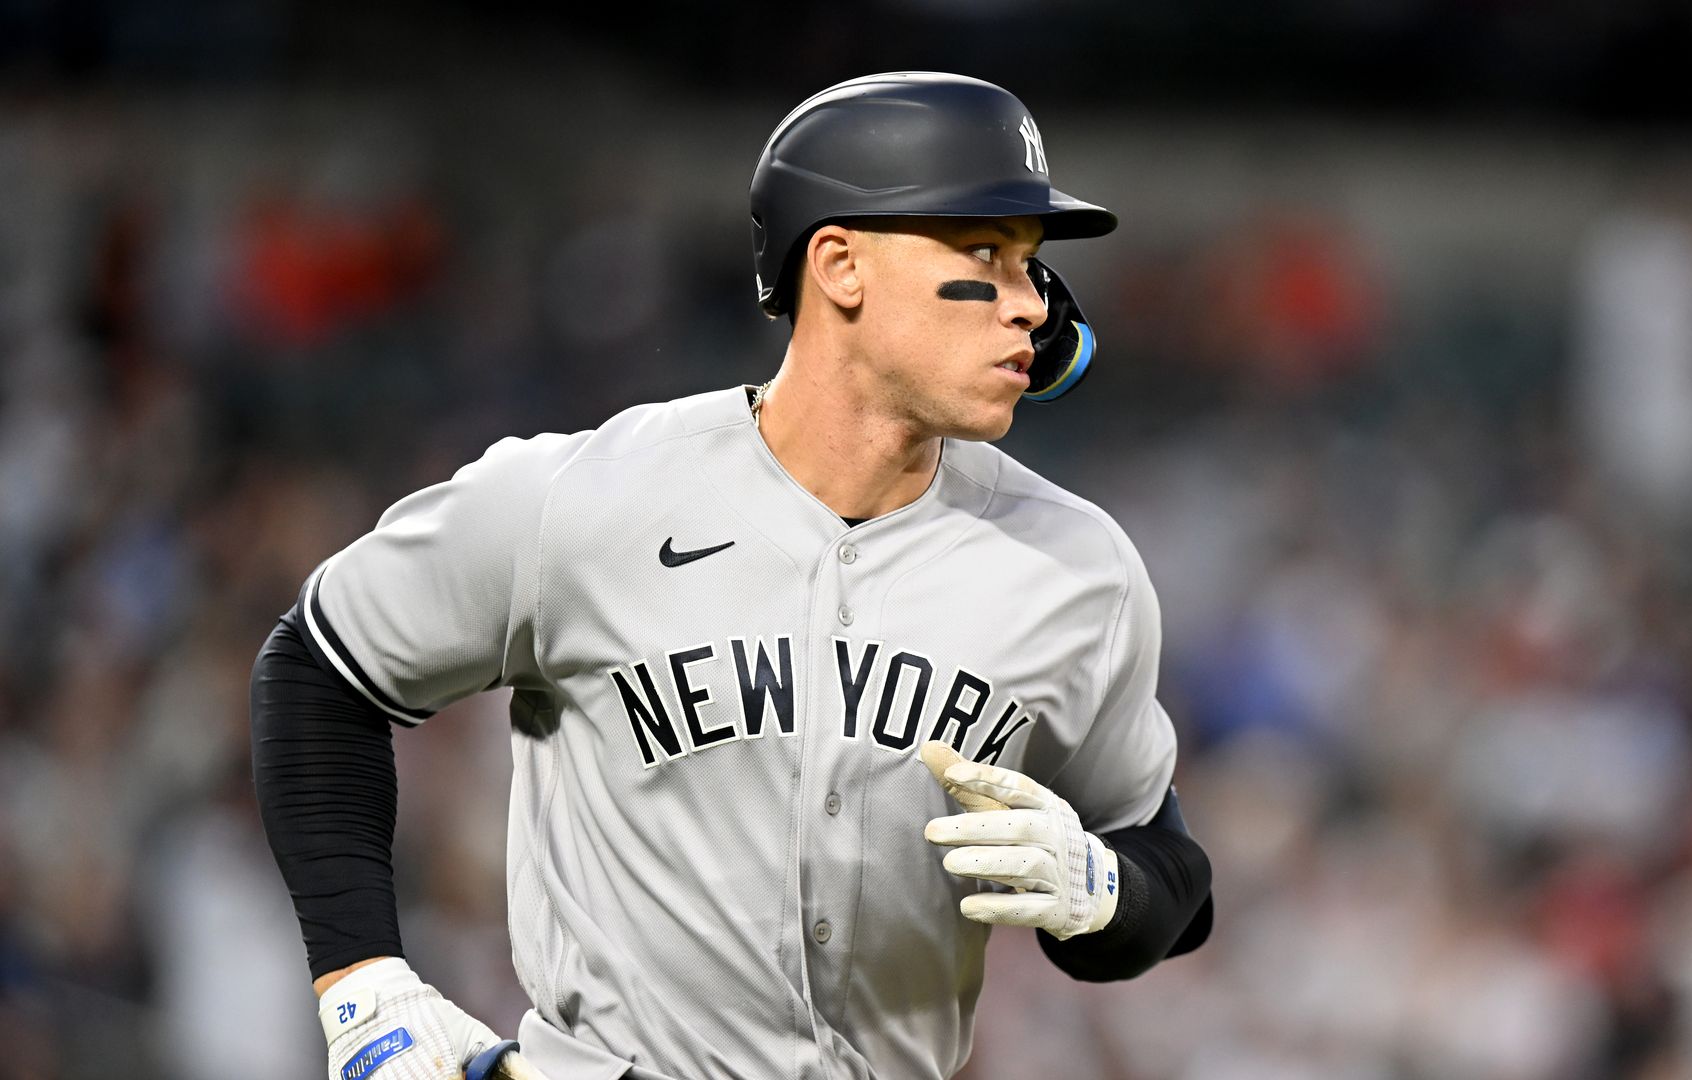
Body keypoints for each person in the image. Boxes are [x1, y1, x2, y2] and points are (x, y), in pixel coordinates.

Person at [250, 71, 1213, 1080]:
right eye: (986, 255)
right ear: (840, 265)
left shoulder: (1075, 565)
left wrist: (1107, 892)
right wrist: (362, 980)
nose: (1032, 306)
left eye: (1032, 265)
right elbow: (320, 668)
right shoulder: (585, 498)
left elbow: (1173, 877)